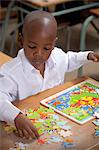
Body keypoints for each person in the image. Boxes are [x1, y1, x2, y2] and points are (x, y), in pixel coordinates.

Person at [0, 10, 99, 140]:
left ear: (53, 44)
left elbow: (69, 59)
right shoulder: (9, 73)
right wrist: (16, 116)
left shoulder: (56, 55)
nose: (39, 54)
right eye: (32, 46)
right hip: (26, 126)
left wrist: (87, 55)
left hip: (55, 120)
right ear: (21, 40)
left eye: (46, 48)